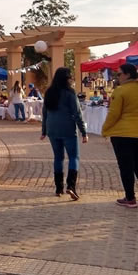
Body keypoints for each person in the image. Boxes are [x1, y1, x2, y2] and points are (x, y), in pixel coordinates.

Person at [102, 63, 138, 208]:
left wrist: (105, 129)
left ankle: (130, 197)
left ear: (127, 74)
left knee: (126, 166)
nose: (117, 77)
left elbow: (114, 114)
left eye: (119, 74)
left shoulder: (120, 91)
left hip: (122, 134)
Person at [41, 68, 88, 200]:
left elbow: (44, 113)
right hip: (67, 128)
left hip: (52, 129)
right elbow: (77, 113)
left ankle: (58, 188)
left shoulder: (49, 92)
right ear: (67, 79)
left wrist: (44, 131)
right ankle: (71, 186)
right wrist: (84, 132)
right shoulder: (69, 93)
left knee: (58, 158)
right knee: (74, 157)